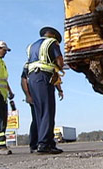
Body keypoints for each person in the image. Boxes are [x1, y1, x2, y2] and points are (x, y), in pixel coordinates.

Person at [26, 26, 64, 154]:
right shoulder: (51, 43)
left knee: (39, 113)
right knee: (48, 111)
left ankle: (42, 143)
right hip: (43, 78)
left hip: (32, 79)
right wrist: (60, 66)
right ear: (53, 35)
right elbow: (59, 61)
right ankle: (44, 144)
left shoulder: (32, 46)